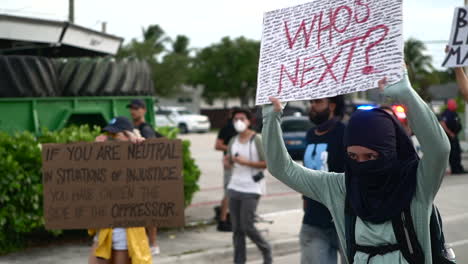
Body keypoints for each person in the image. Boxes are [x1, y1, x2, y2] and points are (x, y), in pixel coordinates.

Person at [262, 70, 450, 264]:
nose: (361, 164)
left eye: (370, 156)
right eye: (352, 156)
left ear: (389, 151)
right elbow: (282, 168)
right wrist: (270, 117)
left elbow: (440, 150)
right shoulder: (340, 188)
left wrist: (405, 94)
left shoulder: (416, 183)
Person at [88, 117, 152, 264]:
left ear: (127, 135)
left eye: (115, 134)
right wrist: (93, 153)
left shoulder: (140, 151)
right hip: (104, 227)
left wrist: (139, 146)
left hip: (126, 230)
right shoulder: (106, 157)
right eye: (108, 134)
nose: (111, 138)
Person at [301, 96, 345, 264]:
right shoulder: (310, 134)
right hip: (314, 219)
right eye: (311, 102)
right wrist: (305, 198)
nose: (312, 105)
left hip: (342, 218)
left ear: (332, 106)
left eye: (317, 102)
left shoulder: (345, 132)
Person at [224, 108, 272, 264]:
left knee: (247, 226)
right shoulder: (233, 141)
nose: (238, 122)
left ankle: (265, 248)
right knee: (237, 230)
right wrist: (227, 162)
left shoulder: (256, 139)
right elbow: (230, 163)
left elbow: (266, 163)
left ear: (249, 121)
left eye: (241, 118)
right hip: (234, 186)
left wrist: (246, 162)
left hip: (252, 188)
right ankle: (239, 260)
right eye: (235, 119)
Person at [127, 99, 163, 255]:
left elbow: (153, 151)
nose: (132, 111)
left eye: (136, 108)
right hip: (134, 175)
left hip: (146, 176)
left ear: (144, 110)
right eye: (131, 108)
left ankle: (153, 244)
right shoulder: (131, 128)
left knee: (149, 211)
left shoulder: (146, 129)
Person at [215, 108, 238, 231]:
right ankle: (222, 220)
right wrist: (233, 149)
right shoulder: (227, 128)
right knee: (229, 192)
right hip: (230, 163)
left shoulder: (244, 130)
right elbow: (218, 145)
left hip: (241, 164)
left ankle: (230, 217)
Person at [440, 99, 465, 174]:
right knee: (453, 154)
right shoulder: (446, 113)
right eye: (454, 104)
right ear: (450, 105)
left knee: (457, 152)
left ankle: (459, 168)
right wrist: (450, 133)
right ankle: (455, 169)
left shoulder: (454, 113)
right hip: (450, 137)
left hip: (455, 136)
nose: (456, 105)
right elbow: (442, 123)